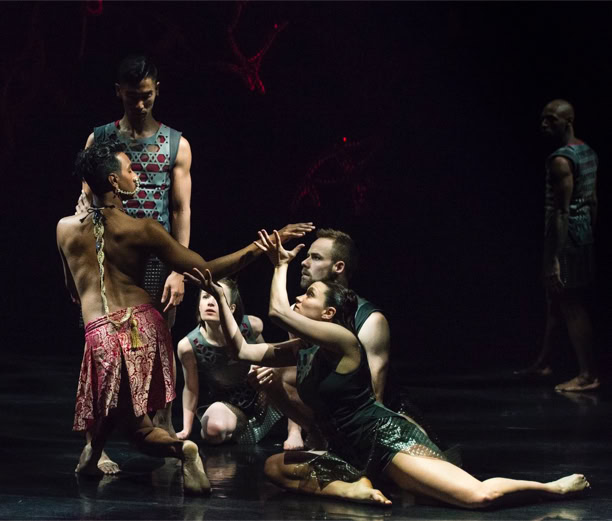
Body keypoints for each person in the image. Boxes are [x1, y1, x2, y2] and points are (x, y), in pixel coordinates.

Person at [187, 231, 590, 508]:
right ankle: (351, 489)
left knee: (477, 497)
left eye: (308, 294)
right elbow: (243, 349)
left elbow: (277, 312)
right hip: (348, 452)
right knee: (275, 467)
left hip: (385, 442)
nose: (300, 297)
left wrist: (279, 265)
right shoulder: (304, 348)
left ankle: (550, 488)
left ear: (328, 314)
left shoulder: (344, 341)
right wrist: (217, 297)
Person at [57, 142, 313, 491]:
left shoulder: (65, 228)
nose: (137, 176)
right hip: (144, 326)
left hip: (103, 332)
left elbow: (73, 290)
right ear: (114, 181)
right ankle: (93, 457)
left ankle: (181, 451)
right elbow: (206, 270)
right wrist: (264, 244)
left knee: (134, 427)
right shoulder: (143, 229)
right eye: (130, 170)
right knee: (117, 411)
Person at [253, 229, 390, 450]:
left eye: (316, 257)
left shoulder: (370, 320)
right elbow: (300, 371)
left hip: (365, 418)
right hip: (329, 407)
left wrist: (368, 446)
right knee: (276, 372)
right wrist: (294, 431)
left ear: (338, 267)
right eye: (307, 256)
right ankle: (312, 433)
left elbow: (375, 394)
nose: (304, 262)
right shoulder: (299, 311)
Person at [519, 100, 599, 392]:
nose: (544, 125)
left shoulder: (561, 160)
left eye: (551, 120)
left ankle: (587, 374)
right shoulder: (587, 152)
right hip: (581, 232)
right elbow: (592, 200)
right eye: (543, 119)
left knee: (571, 302)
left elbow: (562, 212)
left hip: (566, 237)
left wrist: (555, 257)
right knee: (555, 299)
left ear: (568, 121)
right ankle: (545, 361)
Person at [175, 278, 282, 444]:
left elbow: (268, 361)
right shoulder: (188, 346)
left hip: (261, 397)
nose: (210, 302)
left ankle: (294, 432)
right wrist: (186, 430)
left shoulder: (251, 326)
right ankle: (231, 431)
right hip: (227, 405)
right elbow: (191, 388)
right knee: (213, 429)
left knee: (289, 369)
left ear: (231, 308)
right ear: (199, 305)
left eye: (218, 297)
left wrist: (261, 370)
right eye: (205, 297)